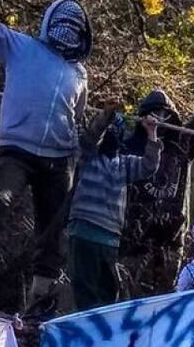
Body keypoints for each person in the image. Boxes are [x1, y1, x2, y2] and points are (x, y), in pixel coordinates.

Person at [0, 0, 91, 305]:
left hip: (59, 159)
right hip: (16, 150)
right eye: (63, 23)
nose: (68, 31)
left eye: (73, 27)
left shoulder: (79, 73)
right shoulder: (20, 46)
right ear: (49, 22)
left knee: (52, 232)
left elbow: (77, 115)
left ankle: (39, 301)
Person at [121, 70, 194, 295]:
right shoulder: (132, 145)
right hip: (135, 241)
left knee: (164, 299)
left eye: (165, 114)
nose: (159, 119)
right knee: (130, 297)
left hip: (171, 239)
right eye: (154, 114)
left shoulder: (183, 144)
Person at [67, 109, 161, 311]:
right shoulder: (88, 156)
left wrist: (151, 132)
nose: (112, 135)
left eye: (115, 130)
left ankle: (103, 335)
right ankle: (85, 334)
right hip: (83, 232)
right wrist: (104, 119)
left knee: (107, 296)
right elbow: (90, 138)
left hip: (109, 239)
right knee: (85, 294)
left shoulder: (124, 164)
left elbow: (149, 165)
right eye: (108, 130)